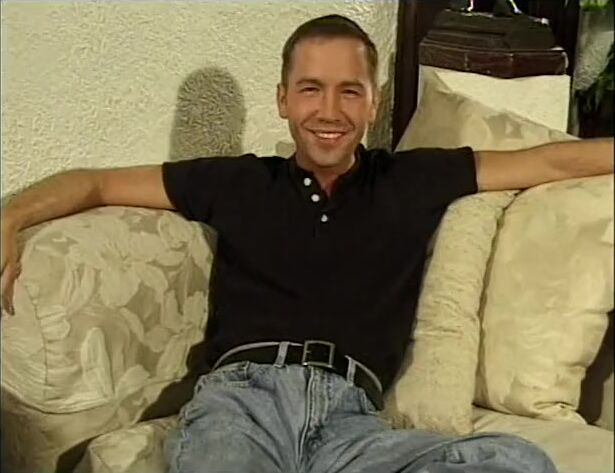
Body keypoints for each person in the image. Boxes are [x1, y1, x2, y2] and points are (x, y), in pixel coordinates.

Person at [1, 14, 613, 473]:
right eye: (311, 88)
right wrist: (10, 218)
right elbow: (95, 182)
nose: (329, 110)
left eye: (350, 90)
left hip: (354, 425)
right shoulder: (237, 182)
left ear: (372, 103)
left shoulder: (412, 179)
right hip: (242, 405)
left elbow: (552, 162)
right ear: (283, 100)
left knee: (518, 461)